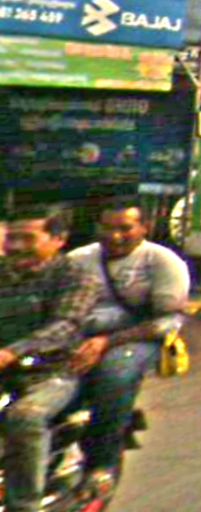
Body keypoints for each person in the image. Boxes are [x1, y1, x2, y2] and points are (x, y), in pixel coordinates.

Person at [68, 200, 190, 486]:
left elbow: (167, 321)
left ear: (144, 228)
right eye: (107, 228)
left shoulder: (161, 261)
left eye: (125, 228)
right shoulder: (77, 260)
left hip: (137, 338)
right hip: (80, 336)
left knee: (114, 375)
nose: (115, 236)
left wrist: (106, 342)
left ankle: (102, 463)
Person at [0, 204, 99, 512]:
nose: (17, 246)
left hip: (51, 371)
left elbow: (65, 325)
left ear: (58, 239)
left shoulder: (75, 276)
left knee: (25, 417)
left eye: (28, 238)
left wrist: (12, 351)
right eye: (12, 238)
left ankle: (23, 505)